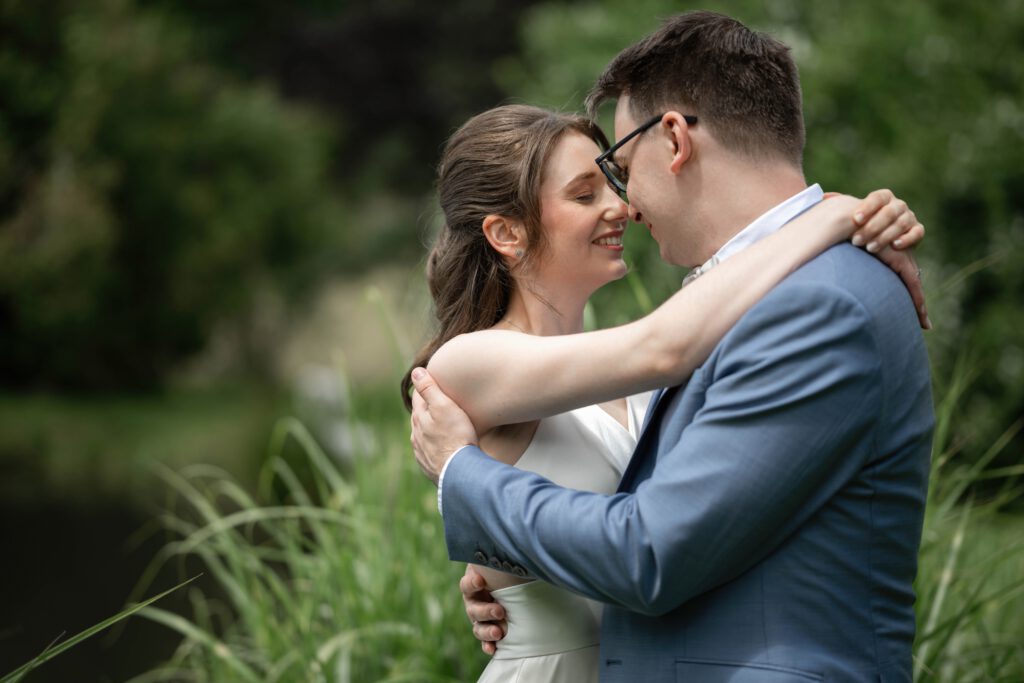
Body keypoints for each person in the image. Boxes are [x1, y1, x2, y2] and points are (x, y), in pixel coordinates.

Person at [409, 11, 934, 683]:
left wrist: (480, 501)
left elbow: (651, 537)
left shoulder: (803, 307)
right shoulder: (476, 360)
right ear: (506, 234)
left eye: (618, 173)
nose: (622, 206)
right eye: (586, 191)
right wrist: (831, 212)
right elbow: (662, 349)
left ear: (676, 140)